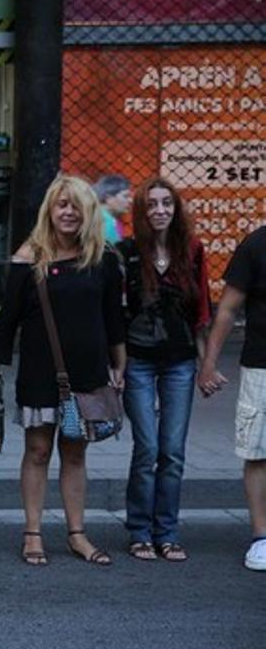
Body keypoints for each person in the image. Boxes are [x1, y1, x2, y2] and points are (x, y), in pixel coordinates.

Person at [0, 175, 126, 567]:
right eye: (61, 204)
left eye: (75, 205)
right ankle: (32, 533)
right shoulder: (28, 257)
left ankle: (77, 534)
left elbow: (113, 318)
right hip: (39, 372)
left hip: (87, 374)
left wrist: (119, 363)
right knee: (37, 450)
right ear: (49, 210)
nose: (68, 212)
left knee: (75, 451)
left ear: (88, 212)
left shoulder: (103, 259)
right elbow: (8, 321)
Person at [118, 178, 210, 562]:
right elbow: (116, 314)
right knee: (148, 447)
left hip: (179, 361)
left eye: (166, 204)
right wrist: (116, 365)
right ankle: (140, 530)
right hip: (137, 359)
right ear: (141, 211)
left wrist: (206, 366)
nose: (160, 210)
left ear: (175, 209)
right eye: (152, 204)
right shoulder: (126, 253)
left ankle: (166, 532)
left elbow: (201, 313)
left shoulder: (191, 250)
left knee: (172, 451)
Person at [198, 224, 266, 571]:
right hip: (262, 365)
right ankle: (261, 538)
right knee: (257, 452)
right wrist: (209, 363)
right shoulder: (256, 244)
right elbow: (227, 309)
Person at [93, 174, 131, 244]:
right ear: (108, 198)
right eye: (125, 196)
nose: (130, 200)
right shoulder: (104, 221)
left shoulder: (102, 217)